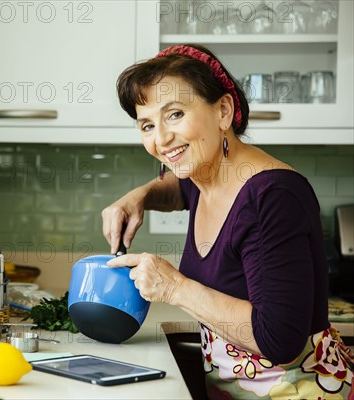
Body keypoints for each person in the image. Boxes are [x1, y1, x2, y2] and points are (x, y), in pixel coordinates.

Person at [102, 44, 353, 399]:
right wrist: (140, 195)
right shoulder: (206, 175)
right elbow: (179, 189)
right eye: (147, 124)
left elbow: (278, 338)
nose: (160, 140)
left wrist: (173, 287)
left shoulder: (273, 197)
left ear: (223, 110)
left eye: (174, 114)